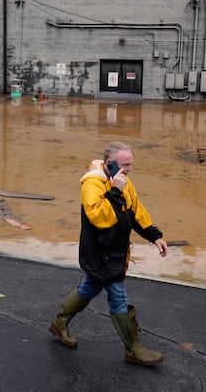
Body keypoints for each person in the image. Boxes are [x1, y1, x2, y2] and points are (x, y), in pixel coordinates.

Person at [49, 141, 168, 366]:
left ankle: (59, 322)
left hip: (115, 252)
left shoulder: (125, 182)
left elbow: (136, 210)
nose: (130, 168)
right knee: (118, 297)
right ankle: (133, 349)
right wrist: (114, 190)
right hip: (100, 253)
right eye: (125, 164)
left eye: (131, 164)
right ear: (110, 164)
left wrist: (155, 236)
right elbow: (100, 218)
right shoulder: (92, 184)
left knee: (90, 286)